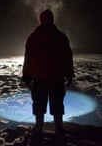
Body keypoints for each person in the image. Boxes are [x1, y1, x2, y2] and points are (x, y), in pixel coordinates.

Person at [22, 9, 74, 141]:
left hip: (39, 79)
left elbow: (28, 58)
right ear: (52, 20)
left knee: (39, 104)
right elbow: (67, 57)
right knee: (57, 104)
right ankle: (58, 130)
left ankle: (38, 129)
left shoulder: (33, 37)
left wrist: (26, 75)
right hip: (56, 78)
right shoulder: (61, 37)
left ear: (40, 20)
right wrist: (69, 74)